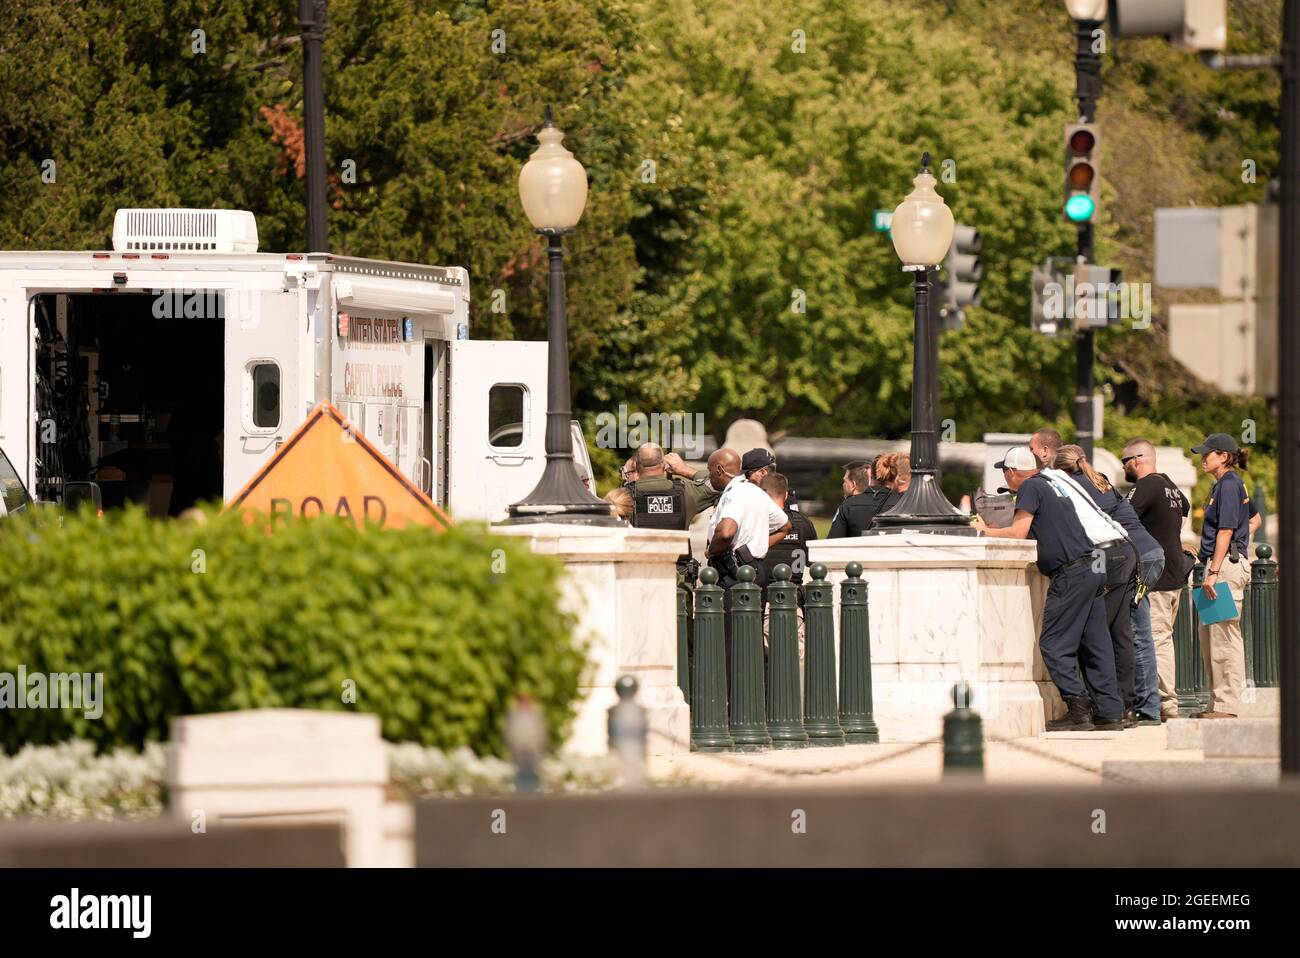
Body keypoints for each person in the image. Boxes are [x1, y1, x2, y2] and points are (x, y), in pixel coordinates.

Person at [973, 446, 1123, 731]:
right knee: (1095, 644)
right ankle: (1110, 712)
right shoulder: (1052, 484)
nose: (1005, 478)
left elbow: (1018, 534)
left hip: (1072, 573)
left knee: (1054, 645)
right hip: (1093, 565)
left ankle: (1079, 711)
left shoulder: (1029, 487)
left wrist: (983, 531)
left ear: (1013, 472)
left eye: (1005, 472)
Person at [1055, 444, 1163, 727]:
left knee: (1101, 631)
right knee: (1124, 631)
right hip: (1142, 553)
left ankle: (1110, 706)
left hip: (1112, 557)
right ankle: (1131, 706)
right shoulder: (1099, 478)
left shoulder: (1073, 486)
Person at [705, 448, 791, 689]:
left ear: (719, 470)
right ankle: (757, 697)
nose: (711, 477)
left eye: (711, 471)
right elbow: (785, 525)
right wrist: (758, 547)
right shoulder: (756, 492)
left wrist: (712, 550)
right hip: (754, 569)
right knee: (751, 639)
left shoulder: (735, 492)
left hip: (733, 572)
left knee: (731, 642)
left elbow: (726, 530)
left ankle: (734, 703)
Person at [1123, 439, 1194, 722]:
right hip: (1175, 572)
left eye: (1124, 460)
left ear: (1137, 459)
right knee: (1164, 638)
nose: (1124, 466)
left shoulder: (1146, 486)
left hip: (1158, 576)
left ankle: (1165, 703)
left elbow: (1120, 518)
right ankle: (1166, 702)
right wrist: (1170, 536)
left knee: (1156, 640)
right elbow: (1185, 512)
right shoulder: (1170, 486)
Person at [1191, 433, 1253, 719]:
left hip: (1223, 568)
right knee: (1212, 636)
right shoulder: (1227, 485)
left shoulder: (1228, 485)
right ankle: (1218, 703)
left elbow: (1226, 530)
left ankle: (1227, 706)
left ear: (1224, 457)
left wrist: (1214, 570)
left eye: (1209, 453)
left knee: (1223, 636)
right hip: (1223, 563)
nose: (1204, 458)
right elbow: (1254, 518)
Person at [623, 442, 719, 584]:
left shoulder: (624, 496)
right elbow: (719, 484)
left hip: (639, 576)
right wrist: (685, 470)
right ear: (664, 463)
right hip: (678, 579)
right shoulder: (685, 491)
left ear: (636, 466)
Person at [827, 458, 891, 538]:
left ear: (853, 484)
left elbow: (833, 542)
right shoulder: (896, 500)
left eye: (845, 481)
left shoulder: (847, 507)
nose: (843, 484)